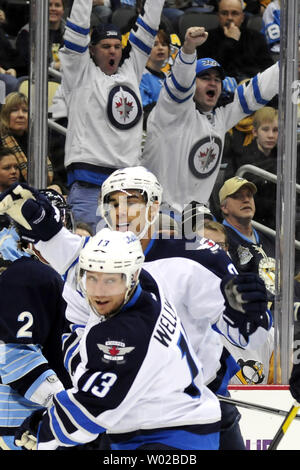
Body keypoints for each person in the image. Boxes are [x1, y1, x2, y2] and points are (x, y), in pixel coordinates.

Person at [0, 169, 272, 450]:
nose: (121, 211)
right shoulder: (93, 263)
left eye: (131, 201)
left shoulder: (196, 255)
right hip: (119, 414)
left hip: (191, 410)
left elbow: (249, 336)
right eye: (113, 203)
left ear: (153, 206)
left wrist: (250, 315)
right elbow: (79, 335)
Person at [15, 228, 222, 451]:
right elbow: (82, 263)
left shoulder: (126, 335)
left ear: (132, 276)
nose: (99, 292)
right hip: (158, 424)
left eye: (110, 281)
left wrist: (43, 428)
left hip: (171, 436)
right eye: (91, 278)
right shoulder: (144, 285)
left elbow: (90, 411)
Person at [141, 25, 279, 214]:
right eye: (205, 77)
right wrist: (189, 50)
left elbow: (255, 92)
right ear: (191, 83)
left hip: (195, 213)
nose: (213, 82)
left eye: (217, 79)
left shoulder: (220, 116)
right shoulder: (171, 110)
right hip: (157, 210)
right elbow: (180, 82)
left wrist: (286, 65)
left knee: (213, 240)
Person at [60, 0, 165, 234]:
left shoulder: (131, 71)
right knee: (87, 256)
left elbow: (148, 29)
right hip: (89, 187)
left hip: (129, 188)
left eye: (117, 46)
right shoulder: (80, 74)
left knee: (128, 260)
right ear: (92, 49)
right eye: (106, 46)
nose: (113, 51)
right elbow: (76, 32)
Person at [0, 216, 72, 450]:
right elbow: (13, 354)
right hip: (20, 422)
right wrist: (70, 408)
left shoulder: (26, 270)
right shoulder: (29, 275)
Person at [201, 219, 276, 385]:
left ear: (227, 251)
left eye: (218, 246)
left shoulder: (249, 306)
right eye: (203, 245)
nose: (210, 253)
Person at [219, 176, 276, 306]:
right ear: (224, 207)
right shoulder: (221, 240)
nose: (246, 200)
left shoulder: (268, 237)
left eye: (249, 196)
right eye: (238, 196)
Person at [224, 106, 278, 229]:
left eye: (275, 130)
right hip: (253, 222)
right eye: (265, 129)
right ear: (254, 132)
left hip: (276, 221)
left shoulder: (284, 157)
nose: (271, 135)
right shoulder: (241, 158)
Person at [196, 0, 274, 83]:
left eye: (234, 13)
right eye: (224, 13)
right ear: (218, 16)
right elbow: (208, 70)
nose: (229, 18)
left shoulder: (256, 37)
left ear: (242, 18)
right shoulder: (206, 38)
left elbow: (268, 68)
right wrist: (231, 41)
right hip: (219, 85)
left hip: (251, 85)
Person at [0, 92, 54, 187]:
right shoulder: (1, 141)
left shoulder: (37, 140)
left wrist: (56, 185)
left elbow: (55, 173)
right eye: (14, 110)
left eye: (25, 111)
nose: (21, 115)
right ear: (5, 115)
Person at [16, 0, 66, 75]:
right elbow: (29, 64)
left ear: (63, 10)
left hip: (63, 81)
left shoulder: (69, 34)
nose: (53, 9)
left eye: (57, 5)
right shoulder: (27, 33)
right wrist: (54, 66)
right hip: (32, 80)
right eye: (49, 5)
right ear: (41, 9)